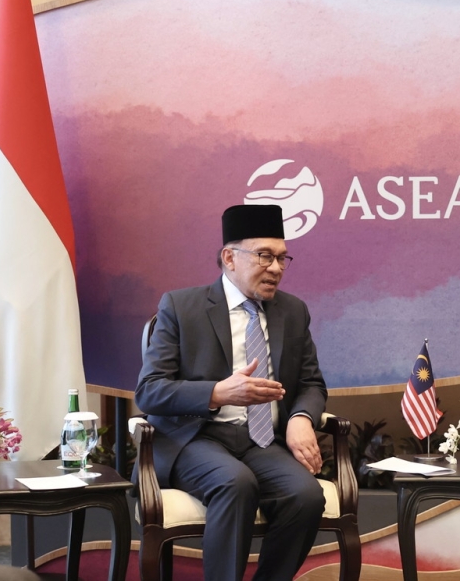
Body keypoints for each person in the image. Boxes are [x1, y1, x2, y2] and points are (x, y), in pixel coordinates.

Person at [135, 204, 327, 581]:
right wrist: (218, 393)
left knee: (306, 496)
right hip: (195, 439)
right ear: (229, 258)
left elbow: (310, 384)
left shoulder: (292, 311)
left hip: (261, 442)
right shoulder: (181, 306)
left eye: (282, 257)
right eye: (264, 256)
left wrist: (301, 418)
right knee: (235, 483)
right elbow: (150, 391)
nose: (276, 268)